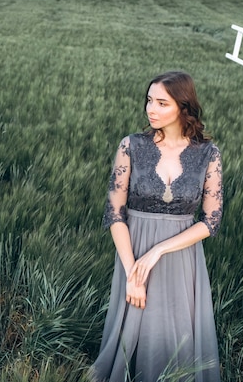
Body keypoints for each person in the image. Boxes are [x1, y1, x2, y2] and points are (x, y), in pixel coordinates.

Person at [90, 71, 223, 382]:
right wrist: (132, 271)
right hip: (132, 251)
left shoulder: (208, 153)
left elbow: (212, 220)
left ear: (183, 106)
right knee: (134, 327)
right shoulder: (131, 146)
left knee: (176, 336)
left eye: (162, 103)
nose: (152, 109)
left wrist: (159, 250)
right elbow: (114, 212)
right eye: (149, 100)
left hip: (181, 257)